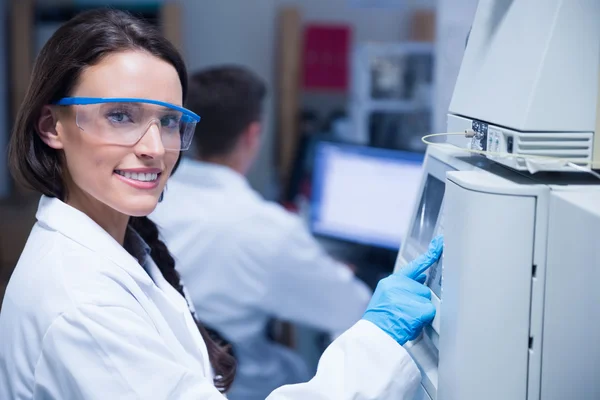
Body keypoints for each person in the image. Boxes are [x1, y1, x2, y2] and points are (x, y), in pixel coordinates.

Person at [0, 8, 442, 400]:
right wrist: (379, 341)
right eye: (120, 116)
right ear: (51, 126)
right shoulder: (84, 306)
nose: (155, 147)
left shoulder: (124, 243)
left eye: (169, 121)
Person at [150, 66, 373, 399]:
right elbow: (352, 309)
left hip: (158, 376)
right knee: (298, 368)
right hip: (234, 386)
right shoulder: (267, 229)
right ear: (253, 134)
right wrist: (340, 272)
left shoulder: (149, 200)